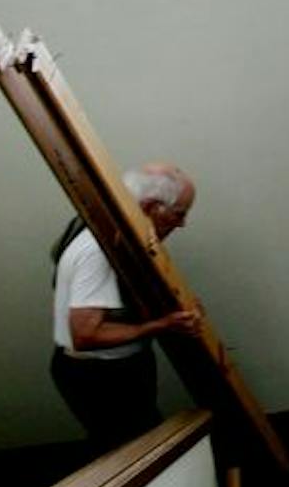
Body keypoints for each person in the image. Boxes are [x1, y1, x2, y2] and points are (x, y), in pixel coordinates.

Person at [49, 163, 203, 448]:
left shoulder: (109, 224)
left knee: (135, 443)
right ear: (150, 206)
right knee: (131, 450)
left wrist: (175, 306)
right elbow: (85, 335)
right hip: (101, 379)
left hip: (116, 369)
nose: (182, 224)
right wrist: (161, 325)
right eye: (179, 213)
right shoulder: (99, 249)